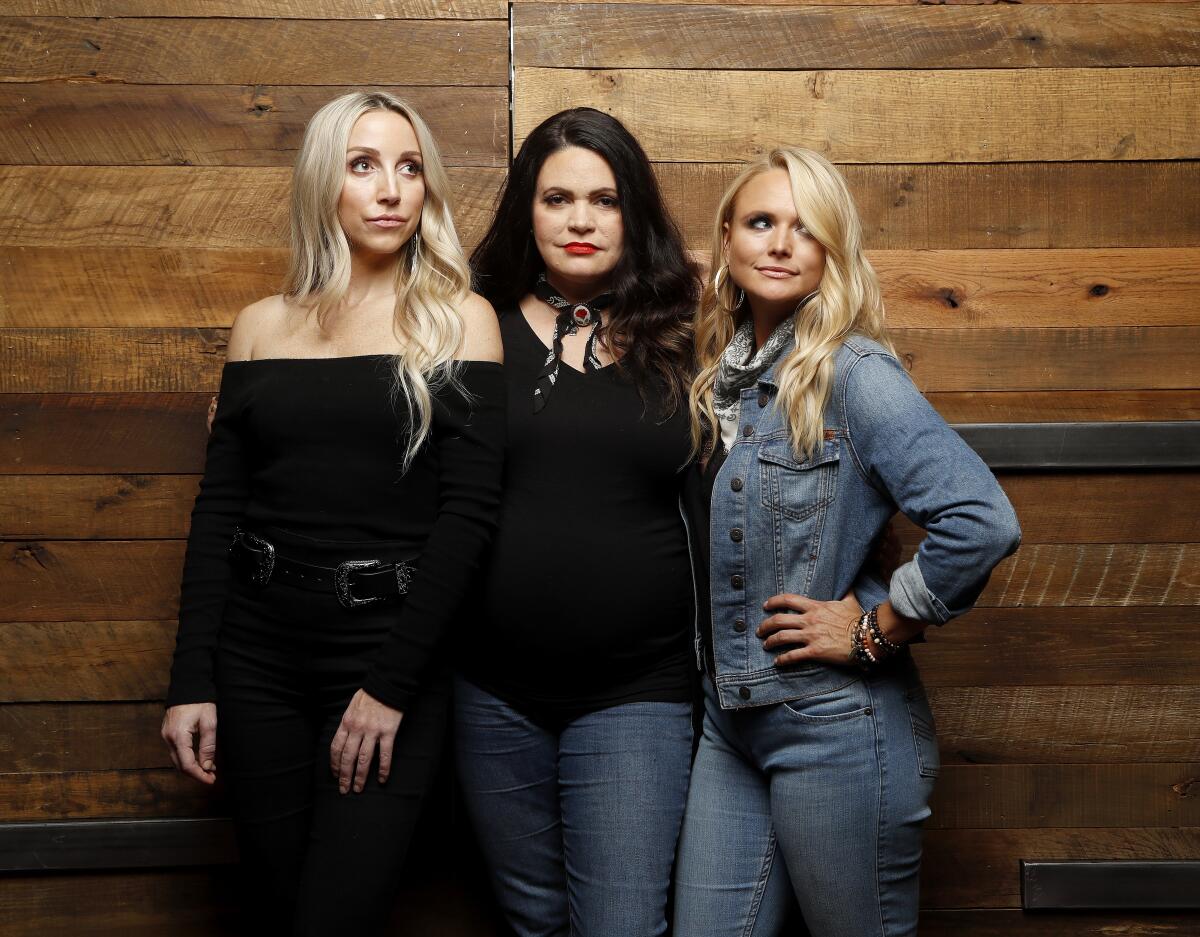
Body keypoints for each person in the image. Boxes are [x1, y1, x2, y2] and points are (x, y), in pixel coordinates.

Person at [159, 91, 504, 936]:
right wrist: (190, 681)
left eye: (409, 167)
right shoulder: (258, 329)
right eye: (364, 165)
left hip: (387, 651)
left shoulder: (461, 321)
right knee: (278, 909)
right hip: (256, 652)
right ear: (326, 183)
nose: (390, 189)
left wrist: (389, 686)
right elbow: (218, 513)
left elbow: (469, 517)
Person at [675, 147, 1021, 937]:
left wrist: (875, 628)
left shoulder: (852, 371)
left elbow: (982, 518)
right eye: (761, 222)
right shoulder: (716, 377)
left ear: (833, 251)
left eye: (807, 228)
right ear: (727, 239)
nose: (780, 242)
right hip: (729, 722)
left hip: (837, 728)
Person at [456, 107, 699, 937]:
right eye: (559, 198)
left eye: (605, 199)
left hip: (637, 692)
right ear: (528, 208)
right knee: (533, 922)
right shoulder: (469, 320)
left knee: (621, 926)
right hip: (492, 691)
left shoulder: (690, 330)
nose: (582, 220)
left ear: (634, 212)